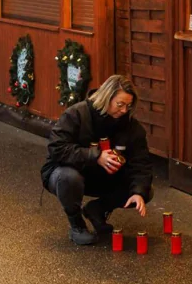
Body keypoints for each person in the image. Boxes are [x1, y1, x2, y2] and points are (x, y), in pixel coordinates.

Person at [41, 75, 153, 245]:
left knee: (145, 190)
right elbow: (57, 148)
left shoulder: (131, 127)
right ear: (107, 98)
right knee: (68, 178)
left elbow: (141, 163)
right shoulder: (76, 114)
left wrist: (138, 192)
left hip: (102, 177)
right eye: (120, 104)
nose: (124, 110)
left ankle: (97, 210)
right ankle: (77, 224)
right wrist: (95, 156)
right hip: (67, 173)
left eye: (128, 106)